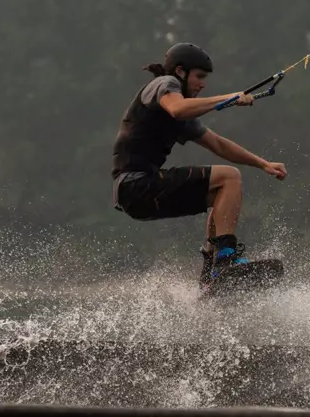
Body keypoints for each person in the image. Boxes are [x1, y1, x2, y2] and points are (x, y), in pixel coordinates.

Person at [111, 43, 287, 293]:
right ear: (180, 72)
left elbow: (218, 144)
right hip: (135, 184)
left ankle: (209, 274)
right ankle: (225, 260)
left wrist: (263, 164)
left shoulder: (182, 118)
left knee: (221, 193)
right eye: (199, 77)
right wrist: (230, 97)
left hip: (137, 194)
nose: (203, 84)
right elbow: (178, 108)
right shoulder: (164, 84)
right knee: (229, 177)